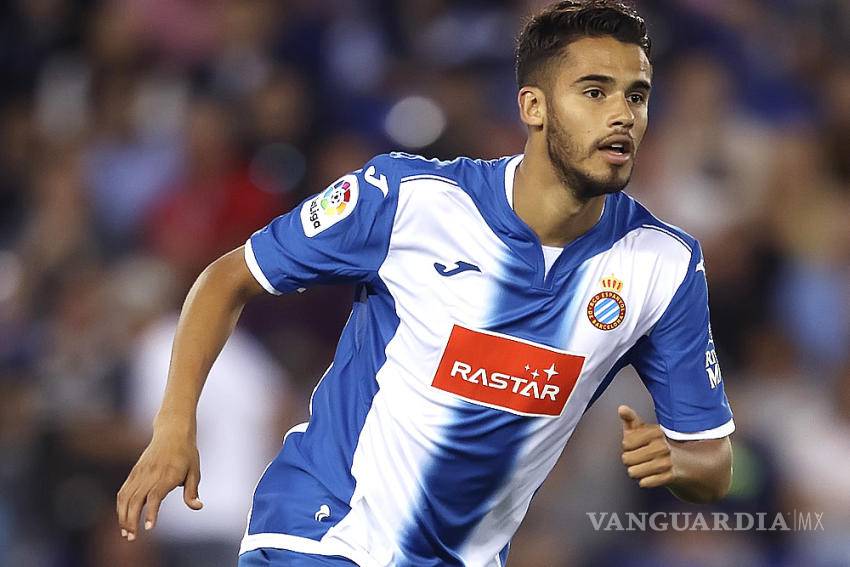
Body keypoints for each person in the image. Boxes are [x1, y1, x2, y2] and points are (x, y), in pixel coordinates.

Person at [116, 1, 735, 565]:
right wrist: (173, 427)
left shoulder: (664, 264)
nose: (623, 115)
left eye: (637, 96)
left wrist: (678, 462)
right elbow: (227, 278)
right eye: (595, 92)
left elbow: (713, 462)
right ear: (534, 107)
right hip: (324, 533)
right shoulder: (409, 199)